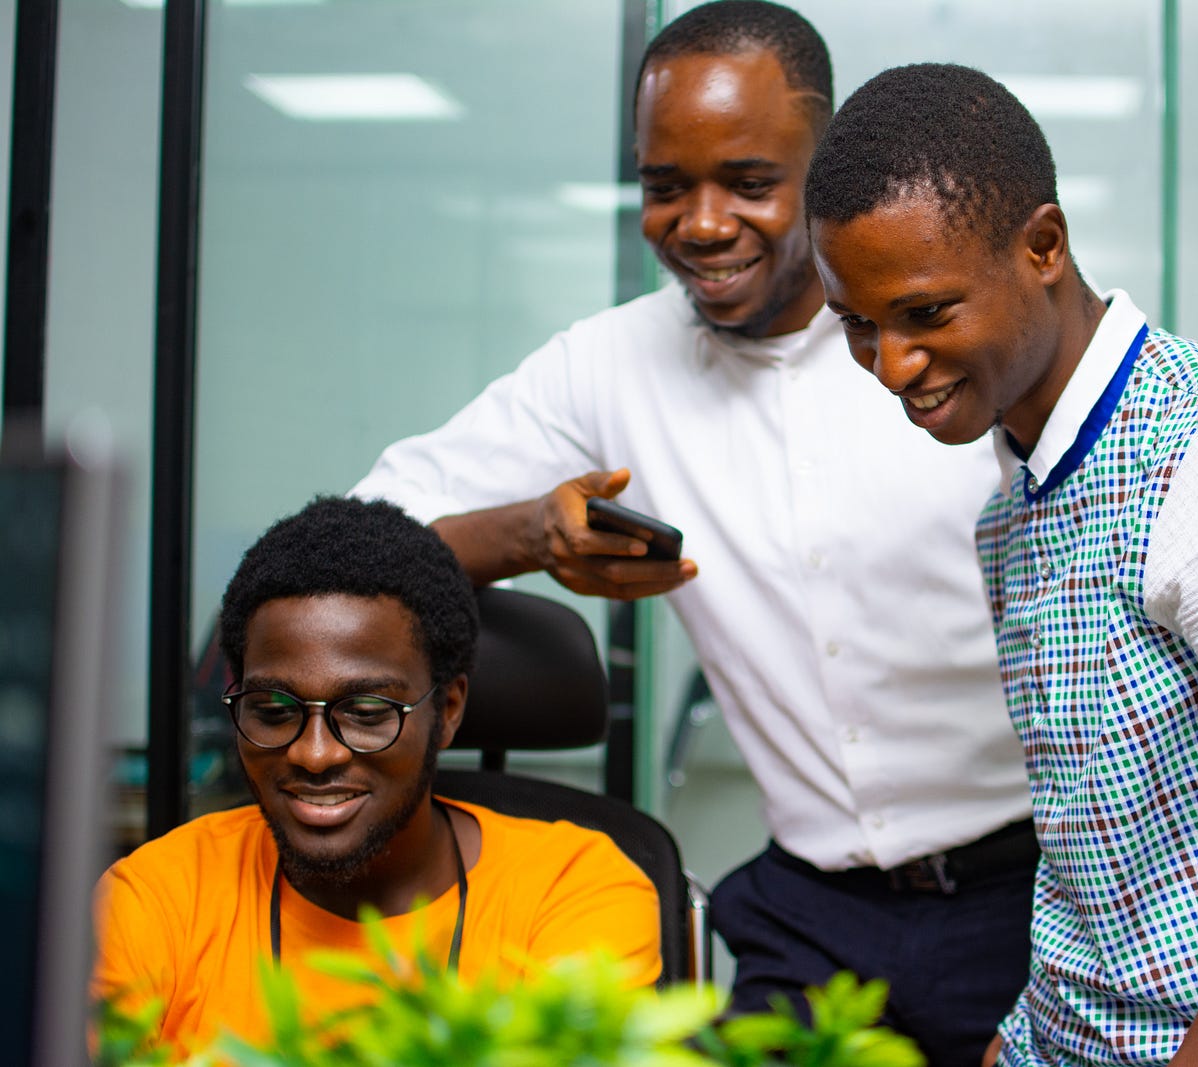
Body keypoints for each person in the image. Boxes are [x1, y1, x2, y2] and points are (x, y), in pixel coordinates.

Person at [350, 4, 1037, 1062]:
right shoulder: (607, 365)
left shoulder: (950, 339)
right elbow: (349, 548)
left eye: (752, 182)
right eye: (665, 186)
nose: (703, 223)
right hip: (807, 921)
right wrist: (532, 531)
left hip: (1027, 897)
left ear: (828, 165)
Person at [805, 63, 1198, 1067]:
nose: (890, 364)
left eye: (925, 313)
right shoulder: (1015, 499)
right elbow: (1101, 849)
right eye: (856, 325)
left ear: (1043, 246)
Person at [91, 497, 660, 1058]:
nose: (314, 755)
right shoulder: (154, 899)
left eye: (365, 714)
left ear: (450, 710)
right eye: (273, 710)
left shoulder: (574, 890)